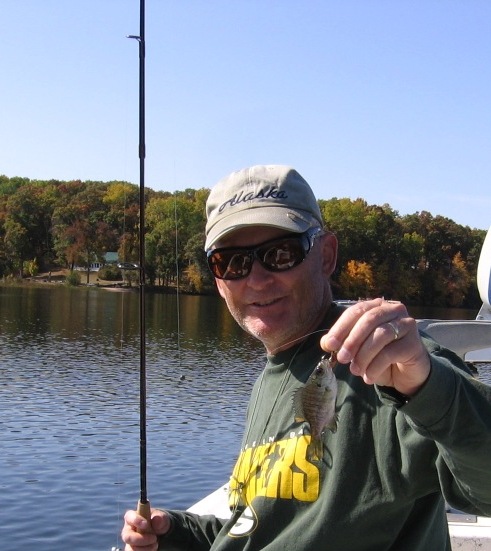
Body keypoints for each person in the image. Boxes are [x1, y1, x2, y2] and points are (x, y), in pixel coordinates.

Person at [122, 165, 491, 551]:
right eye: (231, 262)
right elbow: (259, 524)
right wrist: (177, 535)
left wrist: (428, 386)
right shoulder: (274, 374)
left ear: (326, 255)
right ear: (218, 279)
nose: (256, 279)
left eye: (280, 254)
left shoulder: (389, 362)